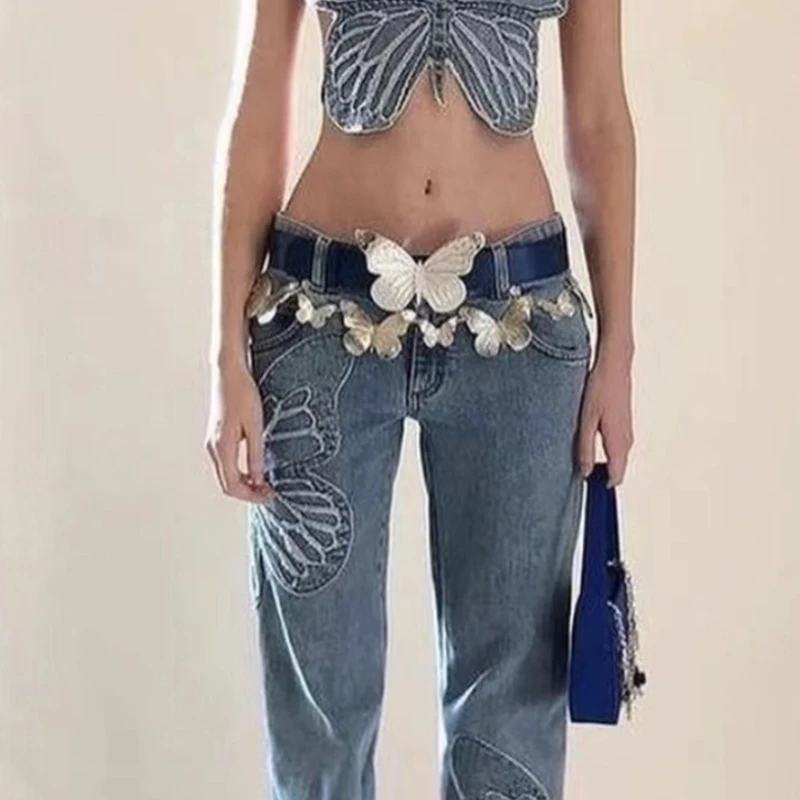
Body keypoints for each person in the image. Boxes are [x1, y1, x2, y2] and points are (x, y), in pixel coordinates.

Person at [204, 0, 635, 796]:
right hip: (317, 324)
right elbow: (259, 103)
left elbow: (600, 118)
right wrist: (225, 351)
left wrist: (619, 347)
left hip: (522, 332)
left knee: (510, 718)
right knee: (319, 713)